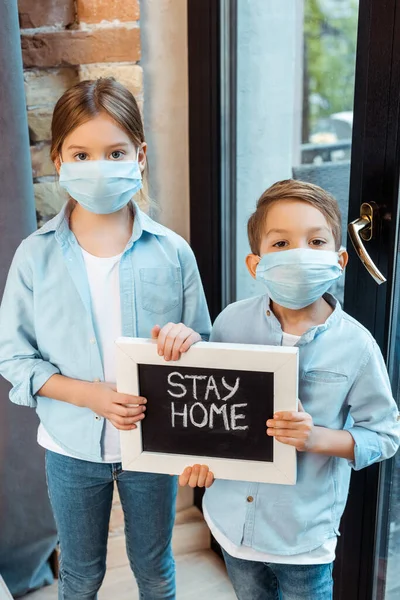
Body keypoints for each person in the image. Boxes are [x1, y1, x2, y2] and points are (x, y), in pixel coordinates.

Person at [0, 78, 211, 600]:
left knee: (155, 568)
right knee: (81, 574)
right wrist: (89, 395)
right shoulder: (35, 255)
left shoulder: (173, 252)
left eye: (115, 151)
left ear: (139, 156)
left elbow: (204, 349)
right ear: (59, 159)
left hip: (152, 448)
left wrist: (190, 340)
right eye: (82, 153)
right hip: (70, 447)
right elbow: (13, 355)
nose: (99, 165)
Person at [179, 179, 400, 600]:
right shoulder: (230, 325)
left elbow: (385, 434)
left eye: (315, 241)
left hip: (303, 538)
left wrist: (315, 437)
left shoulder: (357, 346)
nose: (299, 253)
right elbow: (210, 411)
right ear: (255, 264)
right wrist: (200, 457)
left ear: (339, 260)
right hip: (230, 524)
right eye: (281, 243)